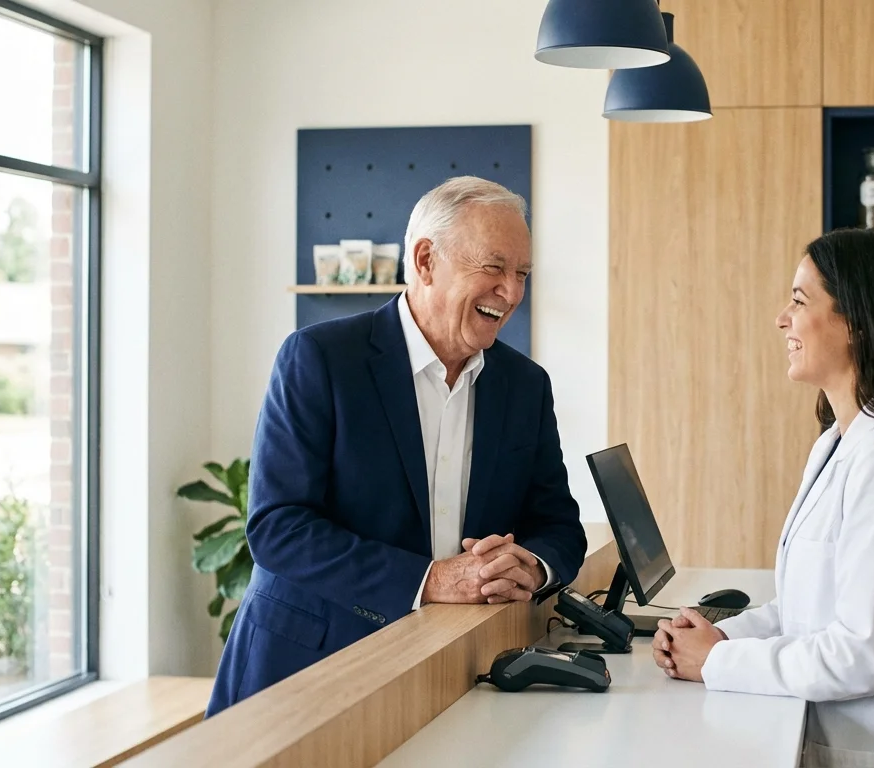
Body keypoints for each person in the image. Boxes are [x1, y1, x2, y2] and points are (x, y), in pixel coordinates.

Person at [206, 177, 588, 717]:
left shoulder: (526, 385)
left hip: (448, 670)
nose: (513, 292)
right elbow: (279, 527)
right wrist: (429, 579)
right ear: (427, 260)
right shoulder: (318, 358)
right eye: (494, 267)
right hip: (305, 673)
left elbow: (558, 526)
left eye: (522, 274)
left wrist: (534, 566)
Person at [651, 229, 874, 767]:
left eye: (800, 300)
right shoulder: (839, 443)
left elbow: (863, 655)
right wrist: (719, 635)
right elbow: (808, 612)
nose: (782, 318)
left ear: (856, 320)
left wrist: (717, 661)